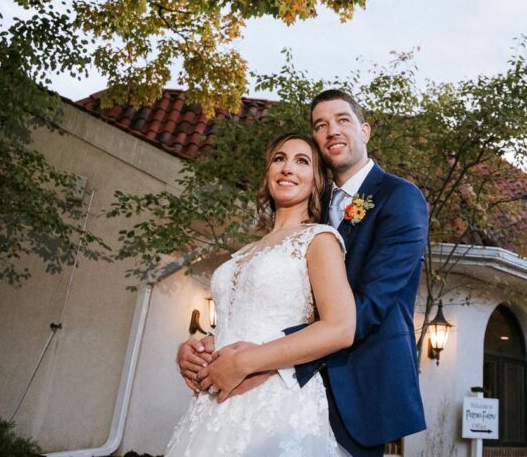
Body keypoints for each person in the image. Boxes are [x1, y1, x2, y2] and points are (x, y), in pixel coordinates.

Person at [178, 89, 428, 456]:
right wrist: (213, 343)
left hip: (357, 386)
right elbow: (284, 299)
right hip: (277, 390)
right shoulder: (309, 201)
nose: (332, 130)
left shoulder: (399, 197)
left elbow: (370, 305)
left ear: (365, 130)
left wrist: (265, 357)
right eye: (320, 125)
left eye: (342, 120)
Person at [166, 133, 354, 456]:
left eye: (302, 161)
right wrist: (193, 350)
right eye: (279, 159)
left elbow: (340, 328)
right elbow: (238, 322)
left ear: (317, 181)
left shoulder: (319, 240)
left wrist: (243, 362)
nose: (287, 168)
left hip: (275, 403)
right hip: (213, 408)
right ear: (268, 173)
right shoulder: (245, 251)